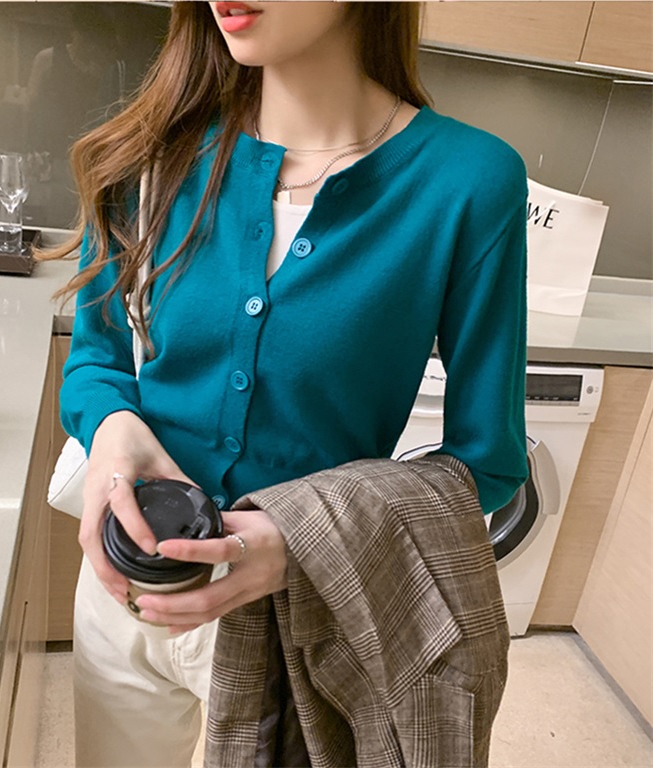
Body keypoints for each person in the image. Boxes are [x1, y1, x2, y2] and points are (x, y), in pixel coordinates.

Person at [46, 2, 528, 766]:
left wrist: (295, 540)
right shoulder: (153, 153)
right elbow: (95, 362)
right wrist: (113, 430)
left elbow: (489, 463)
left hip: (295, 614)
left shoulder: (470, 181)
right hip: (121, 577)